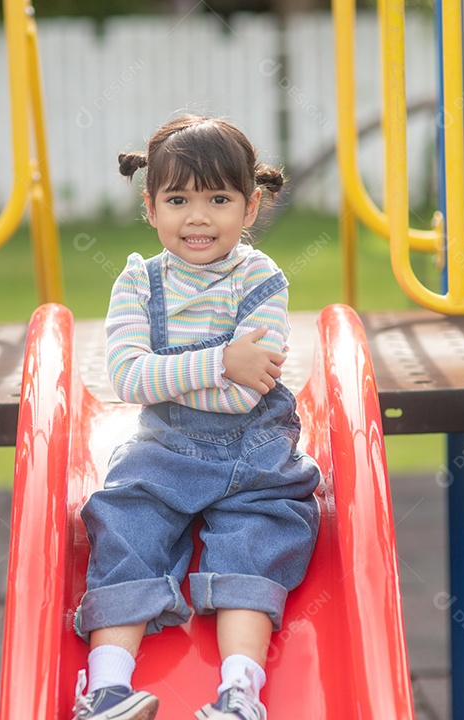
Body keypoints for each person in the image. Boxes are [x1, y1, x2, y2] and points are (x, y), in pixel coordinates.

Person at [71, 114, 321, 720]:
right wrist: (222, 360)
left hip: (253, 455)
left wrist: (183, 371)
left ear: (251, 204)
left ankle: (240, 693)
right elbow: (127, 378)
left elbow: (245, 394)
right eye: (177, 199)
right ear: (151, 208)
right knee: (124, 525)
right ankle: (106, 690)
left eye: (218, 198)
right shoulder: (138, 283)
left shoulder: (262, 279)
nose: (198, 217)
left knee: (256, 543)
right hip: (161, 449)